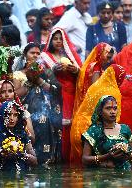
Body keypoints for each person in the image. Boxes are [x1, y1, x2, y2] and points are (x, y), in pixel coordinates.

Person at [70, 64, 126, 164]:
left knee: (79, 170)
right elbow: (114, 119)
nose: (112, 111)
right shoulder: (114, 92)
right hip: (97, 130)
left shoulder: (95, 86)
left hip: (78, 127)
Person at [41, 27, 81, 163]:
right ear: (50, 40)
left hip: (71, 95)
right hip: (55, 95)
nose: (58, 41)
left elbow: (81, 73)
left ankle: (70, 158)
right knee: (58, 126)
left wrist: (75, 70)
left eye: (60, 39)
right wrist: (53, 69)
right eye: (55, 38)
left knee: (70, 126)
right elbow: (41, 74)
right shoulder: (45, 56)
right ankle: (58, 157)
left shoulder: (70, 56)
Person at [0, 101, 38, 172]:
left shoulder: (22, 134)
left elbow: (35, 161)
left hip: (20, 180)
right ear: (2, 115)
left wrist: (22, 154)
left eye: (15, 115)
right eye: (8, 114)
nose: (11, 118)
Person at [82, 95, 132, 170]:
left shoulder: (125, 129)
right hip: (103, 176)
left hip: (126, 175)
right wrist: (107, 156)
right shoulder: (93, 131)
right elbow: (85, 159)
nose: (113, 112)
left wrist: (128, 155)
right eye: (108, 108)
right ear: (100, 111)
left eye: (115, 108)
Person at [74, 42, 115, 113]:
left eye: (110, 58)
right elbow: (95, 89)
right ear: (101, 54)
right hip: (92, 106)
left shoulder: (91, 64)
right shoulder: (95, 67)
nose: (108, 61)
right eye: (107, 57)